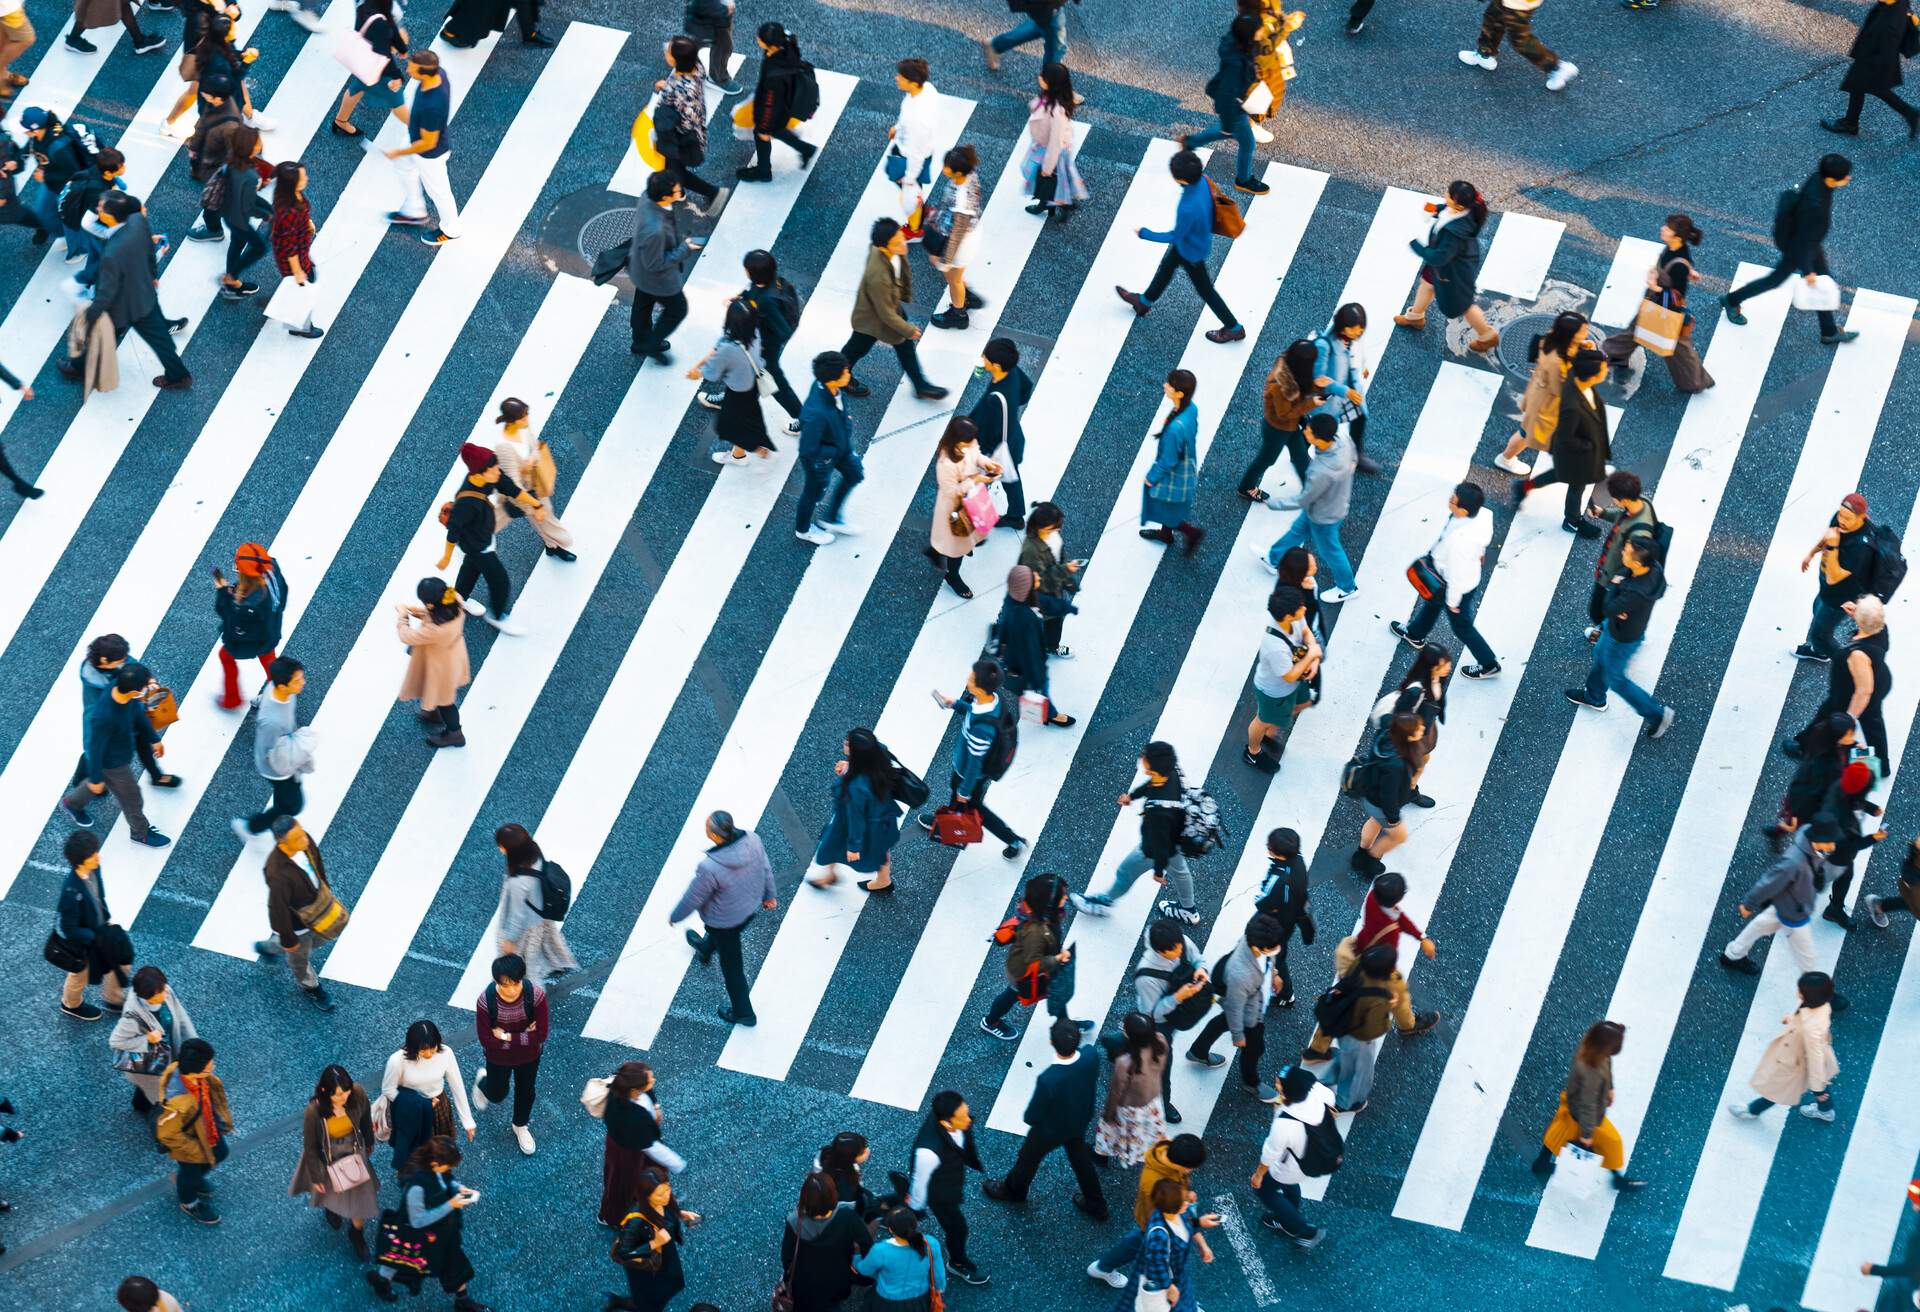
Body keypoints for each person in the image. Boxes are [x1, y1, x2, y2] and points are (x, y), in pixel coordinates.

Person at [55, 191, 192, 391]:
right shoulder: (137, 220)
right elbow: (148, 251)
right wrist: (152, 275)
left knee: (99, 335)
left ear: (111, 216)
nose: (98, 208)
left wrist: (90, 315)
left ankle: (78, 368)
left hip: (122, 306)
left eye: (101, 207)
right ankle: (179, 375)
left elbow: (106, 293)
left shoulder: (112, 253)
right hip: (143, 293)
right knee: (160, 338)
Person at [1302, 871, 1440, 1061]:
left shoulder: (1373, 897)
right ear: (1396, 899)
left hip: (1356, 955)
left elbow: (1397, 917)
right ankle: (1408, 1025)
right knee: (1398, 994)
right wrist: (1421, 938)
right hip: (1377, 967)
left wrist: (1421, 937)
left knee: (1339, 1003)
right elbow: (1397, 924)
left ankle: (1317, 1049)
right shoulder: (1390, 934)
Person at [1724, 154, 1858, 346]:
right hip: (1799, 246)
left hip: (1808, 242)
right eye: (1845, 176)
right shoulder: (1815, 207)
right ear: (1831, 178)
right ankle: (1731, 300)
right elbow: (1802, 240)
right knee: (1775, 280)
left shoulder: (1818, 178)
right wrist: (1807, 270)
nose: (1848, 178)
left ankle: (1828, 331)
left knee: (1823, 279)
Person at [984, 1018, 1109, 1218]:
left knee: (1028, 1158)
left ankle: (1014, 1191)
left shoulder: (1049, 1079)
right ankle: (1096, 1203)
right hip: (1079, 1119)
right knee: (1080, 1159)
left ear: (1052, 1043)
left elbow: (1031, 1116)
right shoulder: (1090, 1055)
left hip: (1049, 1130)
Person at [1116, 150, 1245, 341]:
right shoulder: (1203, 180)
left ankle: (1234, 327)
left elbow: (1176, 236)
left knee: (1205, 290)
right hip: (1196, 242)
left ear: (1182, 180)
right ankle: (1144, 301)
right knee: (1167, 267)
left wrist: (1145, 233)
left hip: (1191, 251)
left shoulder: (1187, 207)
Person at [1071, 741, 1200, 924]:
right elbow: (1151, 785)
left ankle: (1103, 903)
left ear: (1152, 769)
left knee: (1125, 873)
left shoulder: (1159, 813)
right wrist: (1132, 796)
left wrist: (1157, 871)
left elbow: (1160, 845)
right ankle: (1188, 910)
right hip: (1177, 835)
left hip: (1152, 849)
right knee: (1180, 871)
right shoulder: (1171, 772)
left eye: (1145, 758)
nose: (1142, 758)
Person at [671, 810, 776, 1026]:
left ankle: (744, 1013)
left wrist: (676, 916)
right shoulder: (753, 840)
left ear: (716, 837)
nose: (706, 831)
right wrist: (769, 895)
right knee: (722, 938)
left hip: (724, 920)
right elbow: (765, 868)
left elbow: (694, 897)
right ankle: (706, 949)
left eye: (708, 829)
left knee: (732, 968)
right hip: (749, 908)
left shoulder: (710, 867)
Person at [1566, 533, 1676, 738]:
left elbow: (1607, 607)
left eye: (1626, 552)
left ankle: (1657, 714)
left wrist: (1616, 583)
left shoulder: (1634, 592)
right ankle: (1594, 695)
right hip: (1624, 628)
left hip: (1621, 637)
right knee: (1600, 655)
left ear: (1636, 562)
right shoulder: (1653, 570)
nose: (1622, 552)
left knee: (1616, 679)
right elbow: (1615, 609)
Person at [919, 660, 1030, 858]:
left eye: (971, 678)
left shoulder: (982, 730)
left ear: (979, 687)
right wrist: (956, 704)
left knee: (973, 806)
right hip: (970, 771)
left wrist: (965, 790)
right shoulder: (992, 699)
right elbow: (973, 710)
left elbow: (974, 763)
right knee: (965, 801)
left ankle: (1013, 840)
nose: (968, 679)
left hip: (968, 774)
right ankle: (947, 818)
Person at [364, 1136, 489, 1309]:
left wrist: (458, 1188)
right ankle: (462, 1301)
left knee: (402, 1259)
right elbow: (418, 1221)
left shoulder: (435, 1168)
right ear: (436, 1163)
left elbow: (446, 1180)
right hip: (424, 1234)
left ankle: (382, 1282)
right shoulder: (417, 1186)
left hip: (440, 1232)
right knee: (405, 1260)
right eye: (449, 1165)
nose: (451, 1168)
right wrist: (451, 1204)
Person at [1390, 482, 1501, 678]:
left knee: (1462, 627)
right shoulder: (1483, 515)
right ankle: (1415, 634)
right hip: (1460, 576)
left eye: (1453, 500)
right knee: (1432, 604)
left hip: (1456, 585)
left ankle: (1488, 663)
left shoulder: (1459, 541)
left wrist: (1453, 603)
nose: (1449, 500)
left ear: (1464, 510)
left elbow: (1456, 577)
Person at [61, 663, 171, 847]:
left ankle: (73, 803)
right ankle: (140, 833)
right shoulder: (104, 717)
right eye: (146, 687)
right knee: (132, 797)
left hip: (119, 754)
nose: (150, 689)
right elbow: (95, 750)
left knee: (99, 783)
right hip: (113, 763)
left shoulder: (120, 690)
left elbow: (137, 714)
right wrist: (96, 777)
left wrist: (154, 739)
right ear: (134, 691)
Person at [1601, 215, 1713, 394]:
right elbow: (1679, 263)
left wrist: (1655, 286)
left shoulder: (1678, 265)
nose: (1662, 229)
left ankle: (1694, 381)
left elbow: (1676, 296)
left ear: (1676, 236)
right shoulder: (1675, 248)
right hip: (1656, 300)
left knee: (1676, 347)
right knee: (1637, 329)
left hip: (1664, 306)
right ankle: (1614, 353)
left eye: (1667, 228)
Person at [1720, 820, 1843, 982]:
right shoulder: (1793, 863)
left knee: (1761, 925)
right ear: (1816, 839)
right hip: (1794, 913)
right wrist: (1749, 904)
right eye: (1829, 842)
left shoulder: (1815, 850)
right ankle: (1819, 990)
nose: (1832, 847)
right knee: (1807, 956)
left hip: (1788, 902)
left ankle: (1733, 955)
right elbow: (1769, 882)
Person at [1531, 1021, 1646, 1193]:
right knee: (1612, 1142)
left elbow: (1607, 1065)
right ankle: (1617, 1179)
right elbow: (1588, 1105)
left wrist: (1610, 1087)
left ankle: (1540, 1164)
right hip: (1583, 1117)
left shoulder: (1592, 1050)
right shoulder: (1592, 1071)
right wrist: (1586, 1135)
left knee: (1557, 1135)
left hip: (1575, 1108)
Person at [438, 443, 541, 634]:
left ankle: (458, 599)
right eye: (493, 468)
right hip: (477, 545)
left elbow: (510, 488)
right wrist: (446, 556)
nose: (497, 471)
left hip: (482, 536)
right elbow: (453, 530)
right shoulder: (465, 502)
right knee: (500, 581)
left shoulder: (489, 475)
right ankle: (497, 616)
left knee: (470, 570)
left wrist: (536, 504)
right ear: (479, 473)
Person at [842, 217, 947, 401]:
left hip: (885, 309)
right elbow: (885, 313)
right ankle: (838, 375)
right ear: (885, 245)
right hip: (873, 320)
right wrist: (908, 329)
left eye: (901, 237)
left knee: (893, 347)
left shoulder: (883, 251)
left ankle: (920, 385)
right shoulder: (879, 276)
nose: (903, 242)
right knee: (857, 348)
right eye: (898, 241)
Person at [1185, 913, 1288, 1095]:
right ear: (1258, 947)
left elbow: (1267, 960)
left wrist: (1274, 974)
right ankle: (1251, 1082)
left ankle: (1198, 1050)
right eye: (1274, 946)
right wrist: (1237, 1035)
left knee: (1224, 1020)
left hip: (1248, 998)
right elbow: (1234, 1008)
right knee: (1254, 1048)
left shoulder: (1253, 939)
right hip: (1249, 1012)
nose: (1278, 948)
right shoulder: (1240, 974)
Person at [1087, 1134, 1207, 1288]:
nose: (1191, 1171)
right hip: (1160, 1224)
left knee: (1138, 1241)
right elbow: (1165, 1217)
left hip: (1151, 1220)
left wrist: (1185, 1195)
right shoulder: (1155, 1184)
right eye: (1190, 1168)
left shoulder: (1169, 1152)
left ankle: (1102, 1268)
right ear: (1181, 1164)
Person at [1257, 415, 1357, 598]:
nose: (1305, 432)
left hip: (1324, 515)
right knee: (1297, 530)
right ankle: (1274, 558)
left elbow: (1303, 499)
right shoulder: (1343, 439)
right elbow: (1354, 458)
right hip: (1331, 504)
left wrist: (1273, 503)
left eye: (1309, 432)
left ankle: (1348, 588)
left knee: (1330, 550)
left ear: (1319, 439)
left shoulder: (1321, 471)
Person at [1514, 348, 1610, 537]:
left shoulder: (1578, 382)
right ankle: (1572, 521)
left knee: (1561, 472)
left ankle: (1523, 488)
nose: (1606, 371)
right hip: (1575, 449)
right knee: (1577, 484)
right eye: (1603, 369)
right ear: (1593, 375)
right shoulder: (1575, 401)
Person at [897, 1091, 990, 1286]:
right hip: (939, 1194)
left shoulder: (947, 1119)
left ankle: (886, 1209)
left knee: (905, 1203)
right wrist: (915, 1208)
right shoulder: (928, 1153)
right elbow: (920, 1183)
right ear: (947, 1122)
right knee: (958, 1228)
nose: (969, 1119)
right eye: (963, 1117)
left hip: (948, 1178)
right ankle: (957, 1262)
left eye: (967, 1112)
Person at [1395, 181, 1499, 352]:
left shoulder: (1454, 234)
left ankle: (1487, 335)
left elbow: (1438, 258)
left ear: (1457, 204)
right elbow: (1447, 212)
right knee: (1427, 284)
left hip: (1452, 271)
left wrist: (1416, 246)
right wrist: (1437, 209)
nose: (1445, 195)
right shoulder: (1466, 209)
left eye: (1448, 195)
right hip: (1447, 265)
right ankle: (1415, 316)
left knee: (1464, 305)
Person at [246, 817, 339, 1010]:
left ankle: (270, 946)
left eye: (302, 832)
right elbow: (277, 909)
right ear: (282, 842)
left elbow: (318, 864)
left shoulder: (304, 841)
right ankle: (312, 987)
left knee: (320, 938)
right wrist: (289, 940)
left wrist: (325, 890)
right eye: (297, 838)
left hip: (317, 910)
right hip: (296, 925)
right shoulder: (276, 872)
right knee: (299, 958)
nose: (305, 839)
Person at [289, 1064, 378, 1259]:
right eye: (338, 1095)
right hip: (326, 1158)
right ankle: (332, 1209)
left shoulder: (358, 1093)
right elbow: (311, 1145)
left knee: (360, 1200)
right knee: (331, 1191)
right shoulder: (314, 1111)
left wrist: (369, 1140)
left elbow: (365, 1119)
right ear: (324, 1091)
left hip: (354, 1153)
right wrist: (317, 1176)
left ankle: (357, 1233)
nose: (344, 1097)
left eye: (346, 1092)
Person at [979, 873, 1080, 1039]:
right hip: (1025, 971)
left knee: (1054, 991)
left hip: (1033, 962)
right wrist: (1057, 959)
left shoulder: (1041, 913)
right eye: (1062, 896)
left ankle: (1066, 1024)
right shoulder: (1036, 931)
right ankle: (990, 1021)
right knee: (1013, 995)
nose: (1066, 898)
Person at [68, 635, 174, 792]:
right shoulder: (97, 699)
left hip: (130, 713)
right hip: (114, 726)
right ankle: (82, 779)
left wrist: (149, 681)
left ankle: (156, 775)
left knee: (142, 741)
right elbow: (93, 741)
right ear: (104, 661)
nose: (125, 662)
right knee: (94, 753)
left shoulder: (115, 662)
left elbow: (134, 667)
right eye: (121, 660)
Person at [470, 953, 547, 1155]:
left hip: (529, 1057)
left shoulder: (536, 995)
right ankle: (481, 1082)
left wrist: (506, 1037)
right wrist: (524, 1036)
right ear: (496, 982)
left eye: (516, 983)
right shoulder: (485, 1002)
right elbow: (486, 1040)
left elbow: (541, 1034)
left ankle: (520, 1125)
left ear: (522, 979)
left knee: (526, 1090)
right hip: (498, 1059)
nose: (511, 990)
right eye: (505, 985)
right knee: (497, 1094)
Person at [1249, 1065, 1334, 1246]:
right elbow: (1331, 1102)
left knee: (1263, 1189)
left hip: (1293, 1162)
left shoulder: (1285, 1122)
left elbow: (1271, 1152)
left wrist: (1258, 1175)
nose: (1276, 1084)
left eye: (1280, 1083)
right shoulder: (1317, 1090)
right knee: (1289, 1183)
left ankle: (1301, 1229)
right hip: (1315, 1153)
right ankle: (1289, 1214)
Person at [811, 728, 905, 890]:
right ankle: (883, 880)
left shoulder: (855, 786)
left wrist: (854, 847)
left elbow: (856, 818)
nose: (845, 742)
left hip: (852, 825)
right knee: (880, 850)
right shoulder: (878, 756)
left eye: (849, 742)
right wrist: (849, 766)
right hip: (881, 817)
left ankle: (831, 874)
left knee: (831, 846)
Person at [1495, 310, 1587, 474]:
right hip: (1546, 405)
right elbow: (1562, 389)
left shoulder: (1552, 341)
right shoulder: (1557, 363)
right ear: (1569, 336)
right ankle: (1506, 459)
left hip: (1541, 396)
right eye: (1582, 332)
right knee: (1526, 433)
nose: (1585, 334)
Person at [384, 50, 461, 246]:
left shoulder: (433, 105)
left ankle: (451, 229)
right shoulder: (439, 74)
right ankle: (414, 210)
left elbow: (428, 143)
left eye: (412, 68)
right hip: (417, 138)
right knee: (403, 166)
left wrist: (399, 152)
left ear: (424, 72)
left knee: (439, 191)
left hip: (430, 154)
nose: (408, 69)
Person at [1795, 491, 1881, 665]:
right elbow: (1829, 536)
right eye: (1841, 514)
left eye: (1847, 518)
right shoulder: (1841, 519)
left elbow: (1834, 578)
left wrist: (1833, 546)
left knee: (1819, 635)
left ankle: (1850, 666)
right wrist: (1811, 554)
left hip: (1841, 597)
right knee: (1817, 608)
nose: (1841, 520)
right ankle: (1819, 651)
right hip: (1828, 590)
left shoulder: (1861, 546)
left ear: (1862, 517)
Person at [156, 1038, 233, 1225]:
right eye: (209, 1063)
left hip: (207, 1132)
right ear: (198, 1069)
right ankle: (189, 1202)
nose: (213, 1065)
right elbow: (167, 1134)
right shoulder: (178, 1101)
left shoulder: (194, 1077)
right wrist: (195, 1151)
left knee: (221, 1153)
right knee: (189, 1172)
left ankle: (194, 1178)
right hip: (190, 1143)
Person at [381, 1020, 476, 1171]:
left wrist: (467, 1121)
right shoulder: (397, 1060)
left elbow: (457, 1085)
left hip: (438, 1106)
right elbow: (388, 1089)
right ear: (412, 1047)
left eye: (433, 1048)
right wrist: (420, 1105)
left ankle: (434, 1179)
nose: (429, 1054)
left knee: (439, 1153)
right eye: (423, 1050)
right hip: (411, 1111)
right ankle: (414, 1180)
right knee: (414, 1153)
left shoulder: (446, 1053)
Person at [630, 171, 703, 364]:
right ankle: (650, 344)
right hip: (657, 279)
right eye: (677, 190)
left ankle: (640, 340)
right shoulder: (655, 230)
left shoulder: (648, 197)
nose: (681, 190)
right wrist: (685, 248)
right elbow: (656, 264)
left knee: (643, 304)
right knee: (678, 309)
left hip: (640, 268)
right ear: (665, 197)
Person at [1244, 584, 1320, 771]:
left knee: (1304, 703)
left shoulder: (1294, 618)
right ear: (1288, 615)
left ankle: (1270, 732)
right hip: (1274, 692)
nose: (1304, 609)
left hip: (1294, 682)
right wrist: (1311, 656)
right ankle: (1252, 752)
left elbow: (1306, 633)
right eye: (1300, 607)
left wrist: (1313, 657)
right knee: (1262, 720)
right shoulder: (1275, 646)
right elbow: (1289, 676)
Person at [489, 397, 576, 558]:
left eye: (526, 415)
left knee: (538, 518)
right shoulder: (505, 448)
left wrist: (532, 459)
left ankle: (552, 545)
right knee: (542, 515)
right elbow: (513, 487)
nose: (527, 419)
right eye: (523, 417)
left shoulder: (523, 428)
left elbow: (535, 446)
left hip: (531, 483)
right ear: (512, 421)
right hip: (520, 492)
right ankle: (471, 535)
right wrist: (534, 507)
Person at [490, 823, 577, 984]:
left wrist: (509, 941)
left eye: (501, 845)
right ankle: (555, 964)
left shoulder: (518, 882)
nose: (500, 848)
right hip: (540, 914)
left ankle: (530, 999)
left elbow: (516, 916)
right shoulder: (534, 851)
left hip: (526, 927)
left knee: (525, 968)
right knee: (537, 952)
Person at [54, 832, 127, 1020]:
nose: (98, 857)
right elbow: (69, 928)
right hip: (84, 940)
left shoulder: (95, 868)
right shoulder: (71, 892)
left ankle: (113, 998)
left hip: (100, 927)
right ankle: (71, 1004)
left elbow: (98, 896)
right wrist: (94, 937)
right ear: (80, 861)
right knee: (79, 975)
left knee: (120, 959)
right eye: (93, 855)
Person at [600, 1062, 682, 1227]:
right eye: (650, 1080)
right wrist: (677, 1163)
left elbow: (646, 1088)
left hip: (630, 1141)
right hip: (627, 1149)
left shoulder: (622, 1087)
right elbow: (652, 1147)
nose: (654, 1080)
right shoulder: (633, 1117)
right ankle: (611, 1217)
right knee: (621, 1184)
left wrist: (656, 1105)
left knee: (632, 1176)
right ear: (635, 1091)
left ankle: (639, 1198)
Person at [232, 656, 305, 839]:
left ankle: (273, 822)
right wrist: (294, 760)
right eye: (297, 680)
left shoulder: (276, 689)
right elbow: (268, 753)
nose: (303, 683)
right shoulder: (272, 722)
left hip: (283, 759)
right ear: (282, 686)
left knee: (285, 800)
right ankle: (252, 827)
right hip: (278, 769)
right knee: (293, 805)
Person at [924, 417, 998, 597]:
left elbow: (977, 454)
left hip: (971, 500)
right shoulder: (946, 463)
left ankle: (935, 550)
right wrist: (974, 480)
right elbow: (951, 491)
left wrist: (987, 464)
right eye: (969, 442)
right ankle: (953, 576)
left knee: (955, 539)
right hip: (954, 508)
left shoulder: (968, 444)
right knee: (958, 546)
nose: (973, 443)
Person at [1823, 0, 1920, 137]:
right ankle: (1851, 122)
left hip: (1882, 36)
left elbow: (1888, 34)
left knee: (1865, 83)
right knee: (1863, 84)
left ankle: (1851, 123)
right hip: (1888, 19)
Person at [110, 965, 197, 1118]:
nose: (166, 992)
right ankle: (158, 1125)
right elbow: (115, 1041)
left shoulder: (165, 991)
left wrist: (194, 1042)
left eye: (163, 988)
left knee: (150, 1088)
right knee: (159, 1095)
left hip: (164, 1054)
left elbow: (181, 1017)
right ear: (146, 997)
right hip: (151, 1061)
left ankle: (140, 1104)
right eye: (160, 993)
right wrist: (146, 1039)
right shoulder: (132, 1016)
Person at [694, 300, 772, 466]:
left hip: (738, 389)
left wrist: (696, 371)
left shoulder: (729, 348)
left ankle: (755, 448)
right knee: (747, 417)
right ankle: (739, 454)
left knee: (727, 426)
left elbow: (712, 373)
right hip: (754, 382)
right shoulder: (755, 332)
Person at [780, 1171, 873, 1312]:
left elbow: (787, 1257)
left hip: (804, 1284)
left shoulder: (794, 1221)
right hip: (837, 1280)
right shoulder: (847, 1217)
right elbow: (867, 1245)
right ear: (833, 1195)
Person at [655, 37, 727, 217]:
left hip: (681, 138)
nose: (666, 51)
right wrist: (666, 86)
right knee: (672, 168)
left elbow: (686, 118)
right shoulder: (695, 66)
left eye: (669, 51)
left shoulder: (682, 89)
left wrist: (666, 94)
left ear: (676, 60)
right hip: (690, 128)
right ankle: (678, 190)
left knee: (675, 170)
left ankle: (713, 192)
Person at [794, 351, 861, 545]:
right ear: (833, 379)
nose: (849, 374)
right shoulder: (817, 414)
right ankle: (803, 530)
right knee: (813, 492)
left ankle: (832, 518)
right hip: (822, 458)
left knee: (855, 474)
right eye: (846, 371)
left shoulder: (831, 389)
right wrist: (832, 454)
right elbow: (808, 449)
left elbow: (840, 411)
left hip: (840, 446)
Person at [997, 565, 1075, 728]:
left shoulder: (1016, 601)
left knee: (1029, 687)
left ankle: (1046, 713)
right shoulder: (1023, 618)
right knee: (1039, 688)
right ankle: (1050, 715)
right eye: (1035, 579)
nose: (1038, 578)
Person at [737, 23, 818, 180]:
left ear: (770, 44)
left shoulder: (775, 75)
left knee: (762, 133)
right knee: (777, 129)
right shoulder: (786, 46)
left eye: (759, 38)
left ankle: (764, 171)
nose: (757, 39)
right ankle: (805, 149)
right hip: (784, 102)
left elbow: (770, 104)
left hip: (775, 107)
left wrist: (763, 124)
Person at [1584, 471, 1658, 641]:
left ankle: (1605, 637)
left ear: (1623, 499)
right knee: (1601, 610)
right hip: (1609, 571)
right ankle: (1606, 632)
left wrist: (1619, 580)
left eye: (1614, 498)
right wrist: (1603, 513)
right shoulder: (1643, 503)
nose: (1613, 501)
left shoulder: (1640, 534)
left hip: (1613, 577)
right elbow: (1622, 516)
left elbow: (1635, 562)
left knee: (1598, 611)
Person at [397, 578, 472, 748]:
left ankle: (455, 733)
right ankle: (433, 712)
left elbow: (407, 636)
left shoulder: (436, 629)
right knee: (439, 694)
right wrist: (416, 612)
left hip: (441, 667)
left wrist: (403, 617)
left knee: (445, 701)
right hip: (450, 656)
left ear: (431, 604)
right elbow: (432, 613)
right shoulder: (455, 602)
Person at [1242, 340, 1322, 497]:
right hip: (1277, 429)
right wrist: (1312, 402)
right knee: (1266, 460)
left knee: (1300, 456)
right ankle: (1246, 487)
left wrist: (1316, 386)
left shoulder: (1290, 369)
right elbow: (1284, 414)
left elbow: (1300, 389)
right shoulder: (1280, 386)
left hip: (1290, 426)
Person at [214, 542, 287, 709]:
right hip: (271, 629)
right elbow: (284, 593)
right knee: (269, 658)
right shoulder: (273, 570)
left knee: (226, 656)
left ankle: (232, 699)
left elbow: (232, 622)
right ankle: (277, 689)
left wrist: (223, 593)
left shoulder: (250, 605)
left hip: (256, 638)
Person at [1309, 301, 1380, 474]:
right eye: (1355, 328)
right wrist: (1345, 391)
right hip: (1329, 398)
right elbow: (1319, 379)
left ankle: (1357, 454)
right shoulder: (1324, 346)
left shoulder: (1351, 338)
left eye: (1361, 327)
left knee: (1360, 417)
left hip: (1347, 390)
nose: (1360, 332)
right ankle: (1301, 458)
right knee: (1317, 431)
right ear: (1343, 326)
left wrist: (1362, 367)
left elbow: (1354, 356)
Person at [1348, 713, 1423, 875]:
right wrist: (1393, 818)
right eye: (1418, 728)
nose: (1422, 729)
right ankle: (1370, 859)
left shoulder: (1387, 734)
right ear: (1407, 736)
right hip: (1380, 803)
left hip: (1371, 793)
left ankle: (1362, 853)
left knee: (1375, 821)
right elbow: (1388, 795)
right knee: (1399, 836)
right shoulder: (1396, 765)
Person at [738, 249, 805, 428]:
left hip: (765, 347)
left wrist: (755, 321)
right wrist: (742, 299)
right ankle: (731, 398)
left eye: (747, 269)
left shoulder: (768, 301)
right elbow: (752, 294)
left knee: (775, 383)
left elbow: (783, 331)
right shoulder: (770, 282)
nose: (745, 271)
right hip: (757, 342)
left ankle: (804, 419)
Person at [1141, 368, 1205, 552]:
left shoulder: (1175, 429)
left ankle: (1191, 533)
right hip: (1185, 464)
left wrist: (1150, 478)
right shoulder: (1190, 409)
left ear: (1179, 393)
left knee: (1163, 506)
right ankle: (1165, 534)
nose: (1165, 386)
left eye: (1169, 385)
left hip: (1174, 472)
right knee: (1168, 504)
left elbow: (1167, 461)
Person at [971, 338, 1034, 526]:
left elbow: (992, 432)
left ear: (996, 365)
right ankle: (1015, 515)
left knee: (978, 480)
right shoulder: (1012, 372)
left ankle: (979, 519)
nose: (983, 358)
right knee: (1010, 478)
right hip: (1013, 437)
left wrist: (981, 452)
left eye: (986, 357)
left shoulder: (996, 400)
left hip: (998, 447)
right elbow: (1027, 387)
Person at [1096, 1012, 1169, 1168]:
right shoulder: (1161, 1041)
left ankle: (1102, 1155)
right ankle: (1144, 1152)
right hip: (1153, 1099)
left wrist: (1108, 1114)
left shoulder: (1125, 1063)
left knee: (1112, 1132)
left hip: (1130, 1107)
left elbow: (1115, 1093)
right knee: (1149, 1130)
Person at [330, 0, 409, 139]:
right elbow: (382, 53)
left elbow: (386, 20)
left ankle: (341, 120)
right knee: (396, 100)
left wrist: (400, 46)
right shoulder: (381, 24)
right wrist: (397, 76)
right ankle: (420, 131)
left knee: (358, 86)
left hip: (364, 57)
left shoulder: (366, 4)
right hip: (377, 65)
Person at [1459, 0, 1576, 91]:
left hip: (1518, 4)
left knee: (1520, 40)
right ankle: (1485, 54)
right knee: (1494, 19)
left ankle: (1556, 67)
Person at [927, 145, 984, 330]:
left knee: (953, 279)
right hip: (964, 233)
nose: (944, 169)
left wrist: (946, 260)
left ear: (958, 172)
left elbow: (958, 233)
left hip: (962, 241)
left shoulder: (962, 199)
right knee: (953, 274)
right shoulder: (969, 175)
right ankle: (966, 295)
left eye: (947, 167)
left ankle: (958, 313)